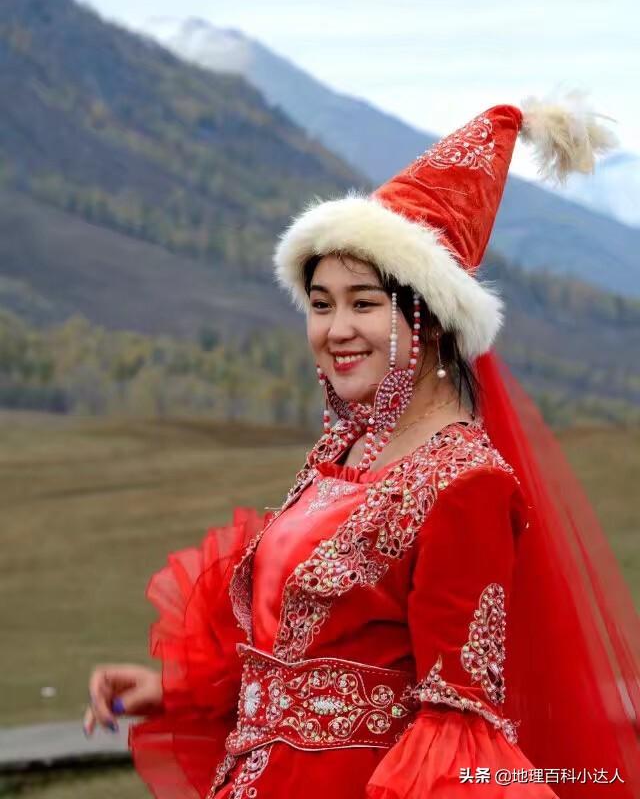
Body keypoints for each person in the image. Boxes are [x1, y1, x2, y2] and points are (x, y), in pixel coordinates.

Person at [84, 94, 639, 798]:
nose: (336, 328)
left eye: (364, 302)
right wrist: (177, 690)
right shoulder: (342, 460)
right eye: (320, 304)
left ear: (430, 319)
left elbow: (457, 717)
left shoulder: (465, 485)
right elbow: (307, 652)